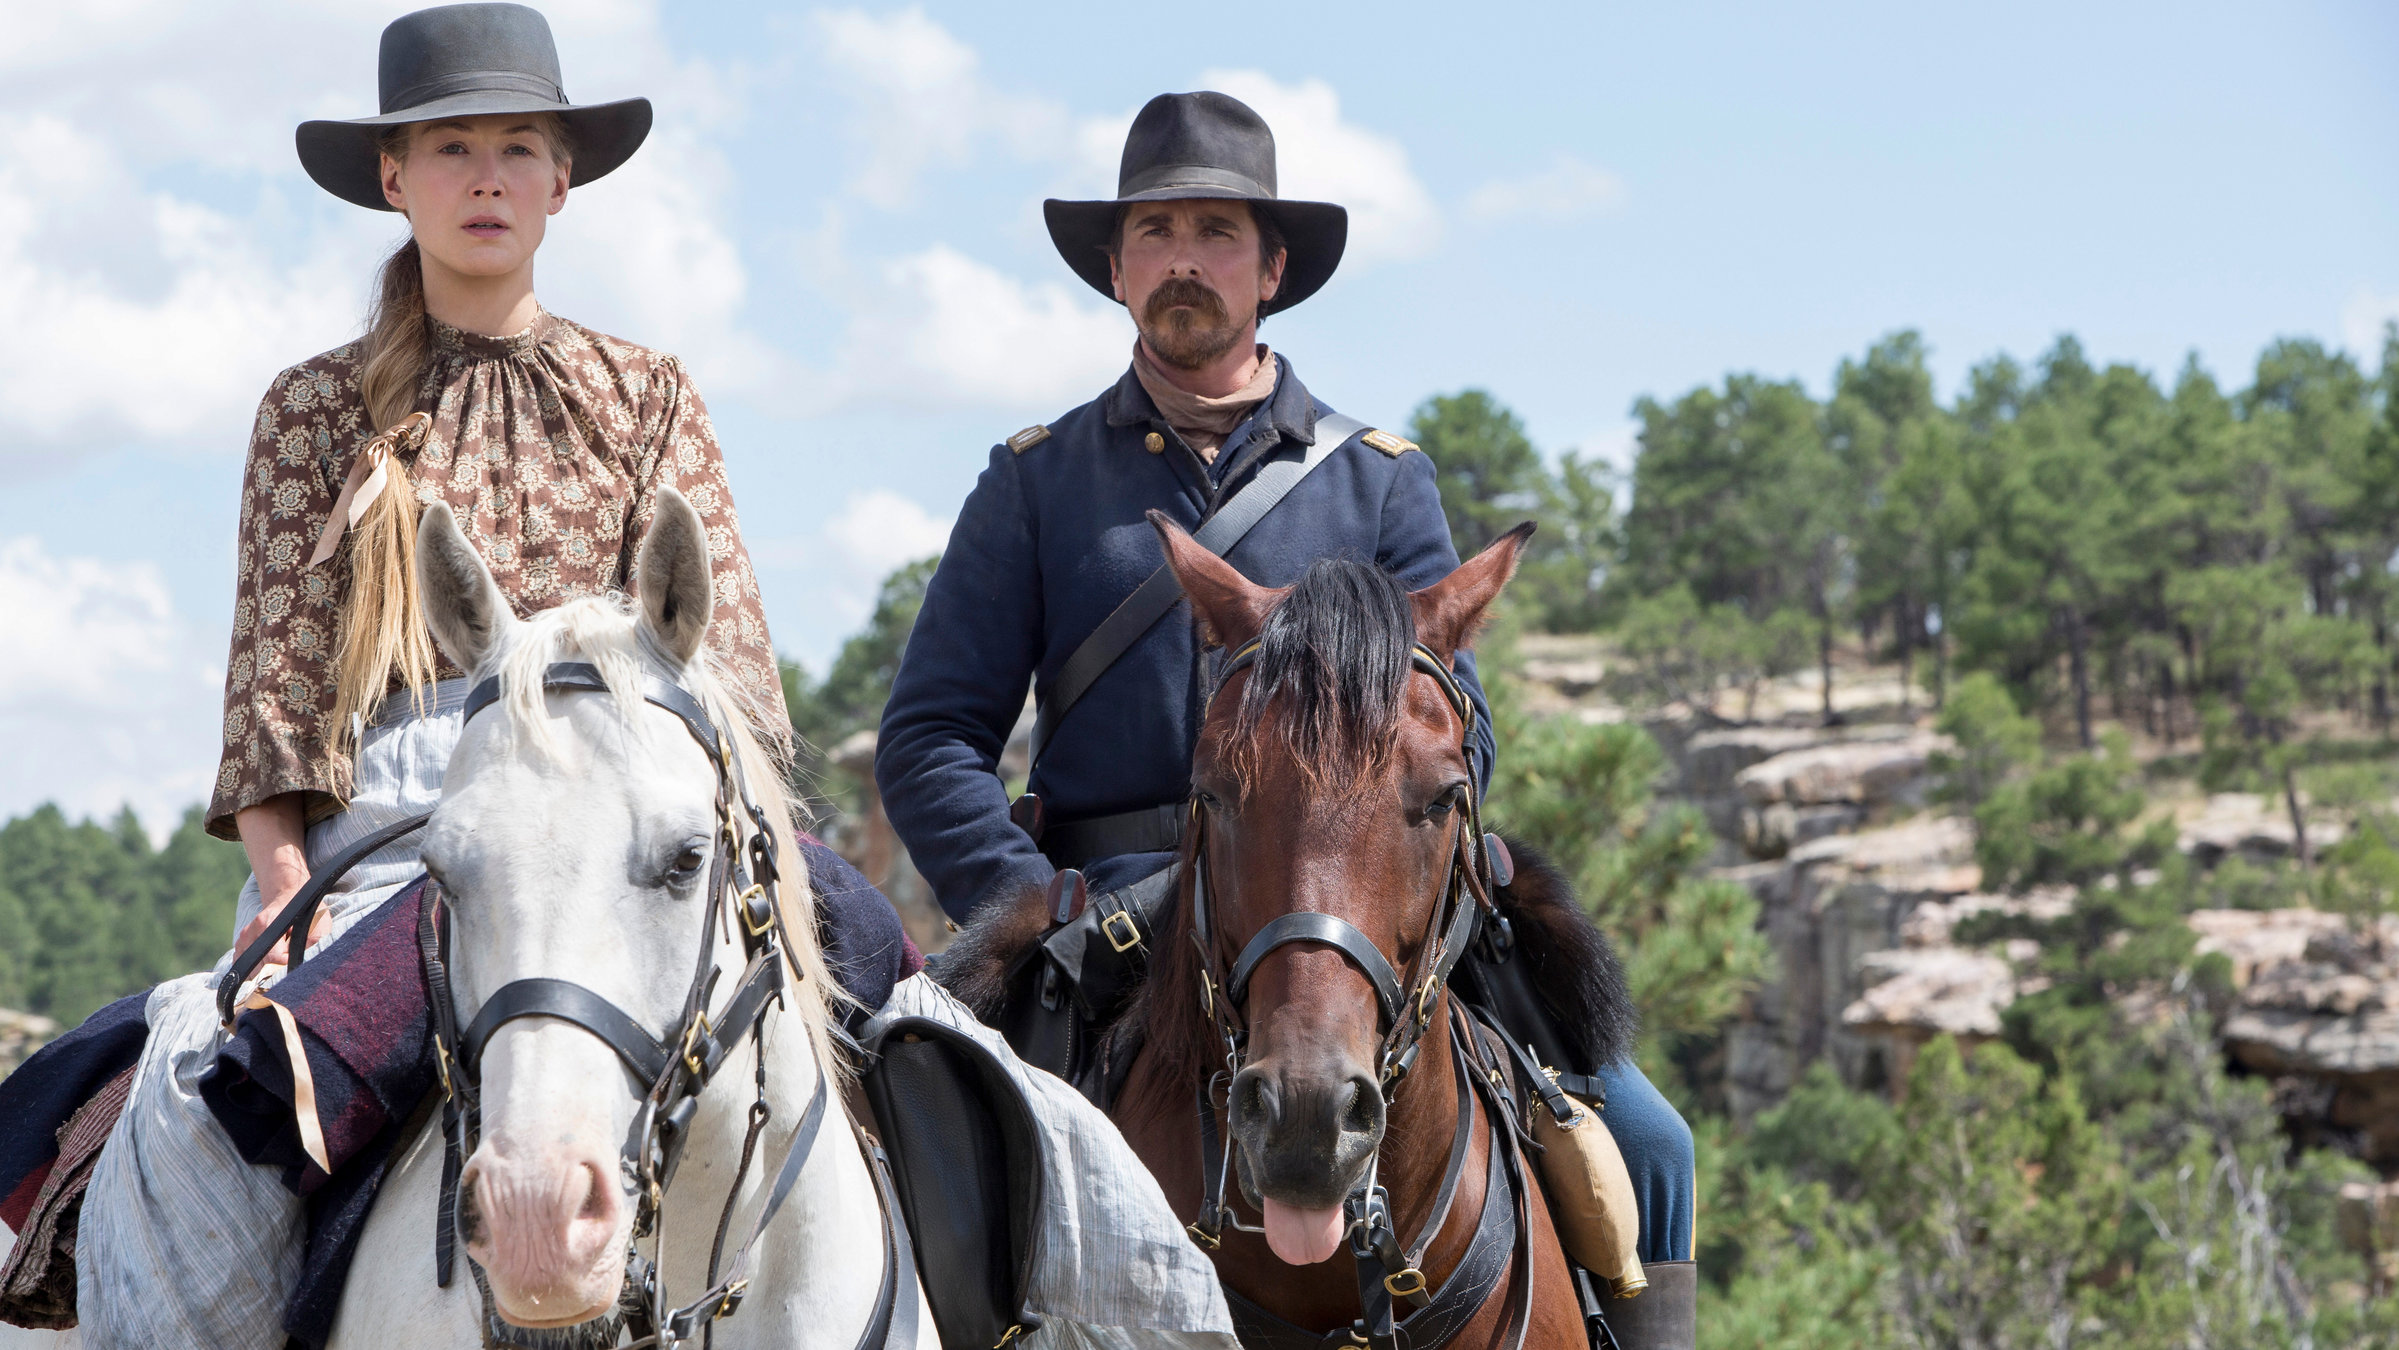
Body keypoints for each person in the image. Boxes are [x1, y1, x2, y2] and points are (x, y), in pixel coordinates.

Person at [38, 6, 892, 1345]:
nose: (484, 177)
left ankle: (1069, 1302)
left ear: (561, 181)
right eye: (450, 148)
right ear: (395, 178)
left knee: (911, 1006)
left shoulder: (646, 388)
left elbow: (724, 669)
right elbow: (272, 696)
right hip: (395, 842)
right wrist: (286, 910)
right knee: (235, 1104)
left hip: (635, 815)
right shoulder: (312, 408)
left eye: (514, 149)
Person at [874, 90, 1698, 1341]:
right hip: (1115, 913)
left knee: (1647, 1141)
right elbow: (929, 738)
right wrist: (1037, 901)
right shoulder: (1034, 482)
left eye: (1216, 229)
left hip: (1354, 893)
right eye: (1153, 231)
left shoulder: (1378, 475)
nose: (1182, 258)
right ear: (1114, 268)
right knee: (912, 1153)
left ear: (1270, 269)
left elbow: (1461, 727)